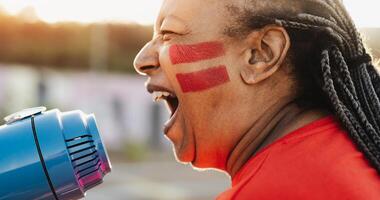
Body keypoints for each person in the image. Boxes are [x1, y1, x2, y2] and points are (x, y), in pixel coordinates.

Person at [134, 0, 380, 199]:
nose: (141, 60)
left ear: (260, 55)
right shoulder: (350, 153)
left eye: (168, 34)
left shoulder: (268, 192)